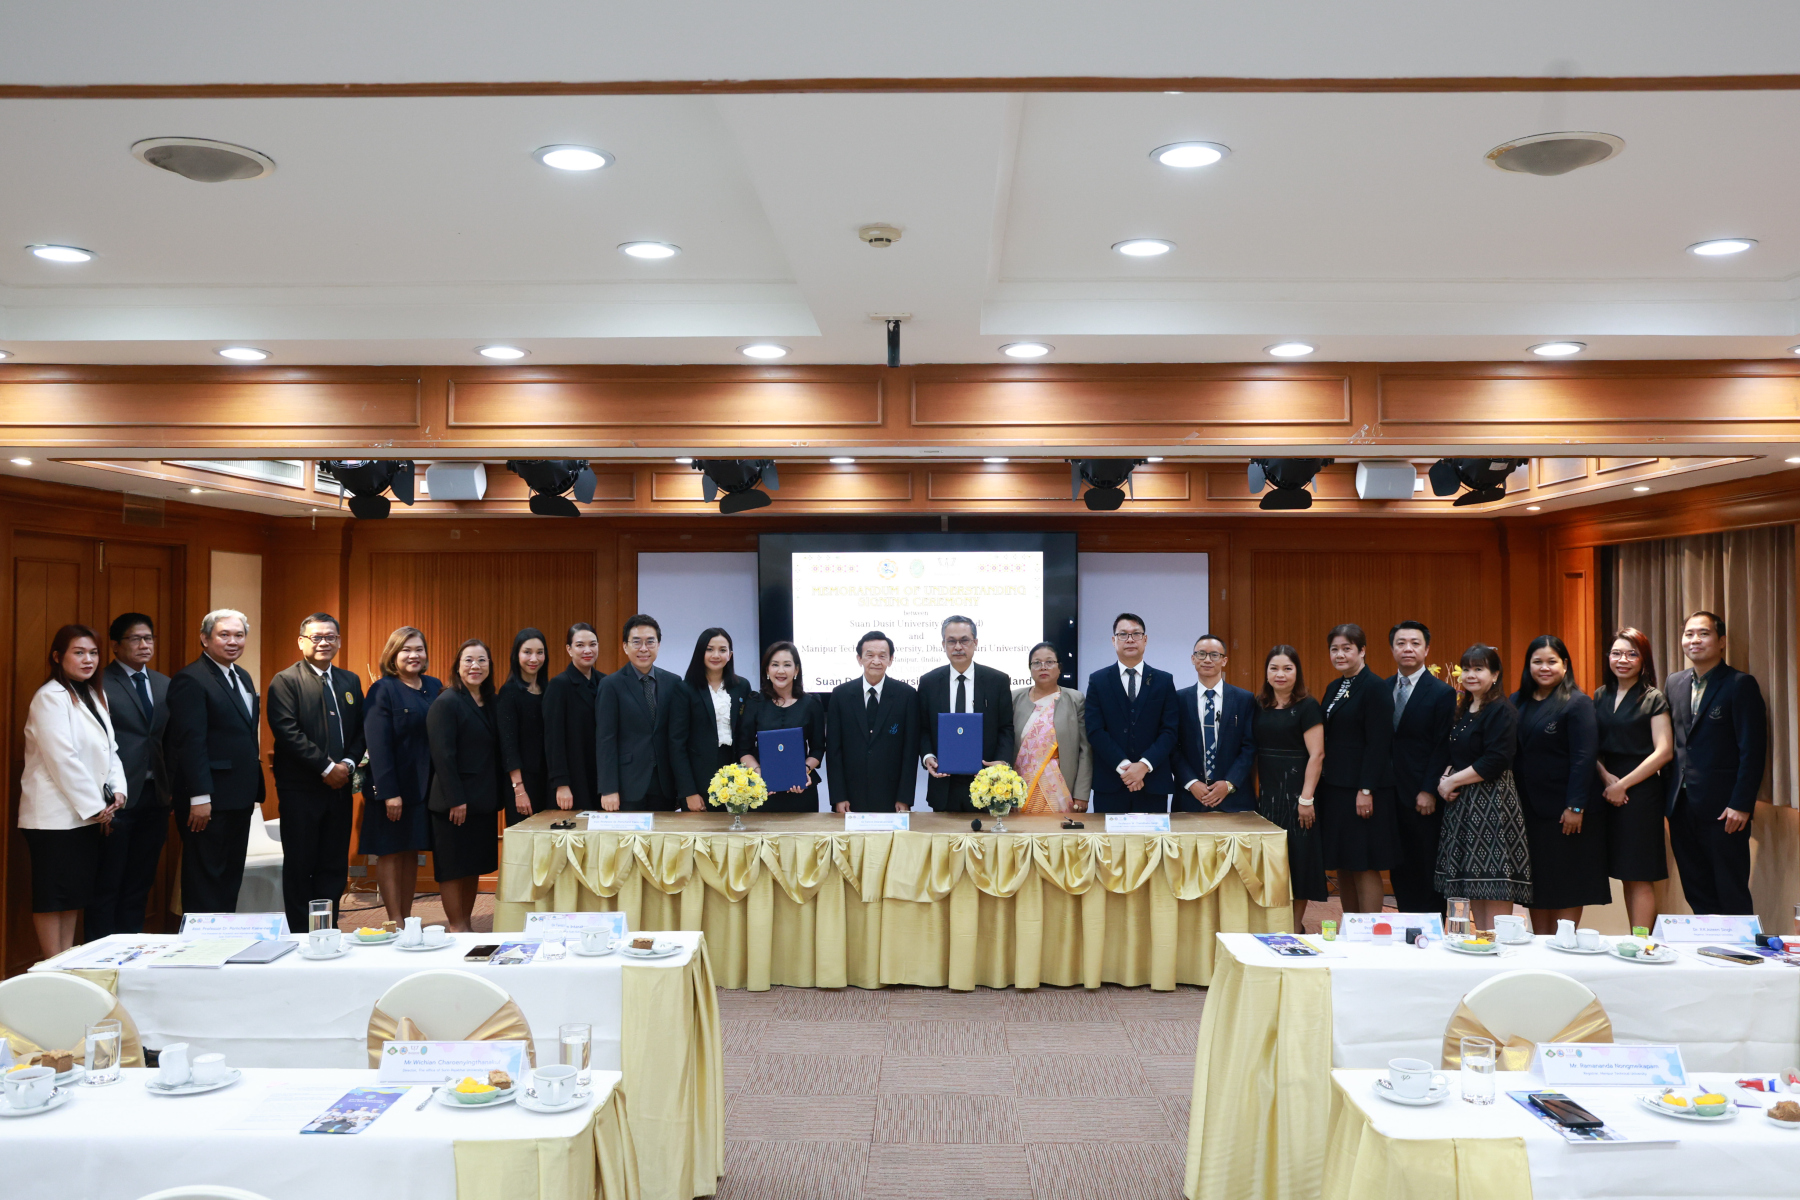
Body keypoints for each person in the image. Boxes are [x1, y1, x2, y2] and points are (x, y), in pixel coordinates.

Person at [20, 624, 128, 956]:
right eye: (78, 653)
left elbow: (110, 749)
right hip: (52, 818)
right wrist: (96, 806)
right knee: (53, 897)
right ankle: (52, 967)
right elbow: (62, 758)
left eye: (93, 653)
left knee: (73, 897)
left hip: (86, 816)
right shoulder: (50, 697)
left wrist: (118, 791)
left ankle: (65, 961)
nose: (88, 660)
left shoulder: (93, 694)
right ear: (57, 657)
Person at [266, 613, 366, 934]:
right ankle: (300, 936)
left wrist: (347, 764)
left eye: (330, 637)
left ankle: (326, 932)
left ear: (339, 641)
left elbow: (361, 730)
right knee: (300, 866)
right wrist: (326, 767)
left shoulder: (350, 681)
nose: (324, 642)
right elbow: (287, 732)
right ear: (301, 642)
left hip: (339, 789)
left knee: (333, 866)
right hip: (301, 790)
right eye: (316, 637)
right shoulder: (285, 681)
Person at [1664, 610, 1767, 915]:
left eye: (1703, 633)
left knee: (1730, 890)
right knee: (1696, 889)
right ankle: (1707, 943)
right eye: (1689, 634)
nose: (1694, 640)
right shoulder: (1674, 683)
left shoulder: (1739, 684)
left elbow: (1752, 749)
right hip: (1680, 805)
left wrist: (1742, 804)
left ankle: (1739, 946)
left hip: (1725, 809)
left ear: (1721, 642)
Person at [164, 609, 264, 915]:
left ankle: (225, 937)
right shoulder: (191, 679)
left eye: (239, 635)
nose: (233, 641)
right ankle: (202, 941)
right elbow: (190, 743)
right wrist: (199, 797)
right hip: (207, 800)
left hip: (239, 796)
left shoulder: (241, 676)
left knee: (230, 877)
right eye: (224, 635)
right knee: (205, 879)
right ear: (205, 639)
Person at [1512, 635, 1606, 932]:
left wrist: (1575, 806)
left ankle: (1564, 943)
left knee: (1568, 883)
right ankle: (1540, 942)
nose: (1544, 668)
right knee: (1537, 884)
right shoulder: (1516, 701)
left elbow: (1584, 758)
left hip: (1565, 811)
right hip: (1527, 809)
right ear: (1528, 666)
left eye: (1551, 661)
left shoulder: (1578, 703)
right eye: (1537, 662)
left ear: (1565, 665)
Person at [1434, 644, 1530, 929]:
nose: (1471, 675)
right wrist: (1446, 776)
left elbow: (1495, 760)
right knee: (1474, 879)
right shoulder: (1466, 707)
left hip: (1493, 803)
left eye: (1479, 669)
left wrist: (1452, 781)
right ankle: (1483, 940)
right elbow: (1458, 752)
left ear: (1495, 674)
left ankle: (1498, 942)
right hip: (1465, 802)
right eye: (1466, 669)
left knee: (1495, 880)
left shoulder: (1502, 709)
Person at [88, 613, 170, 938]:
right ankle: (99, 952)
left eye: (148, 638)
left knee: (140, 882)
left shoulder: (163, 683)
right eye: (135, 639)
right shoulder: (99, 683)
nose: (144, 645)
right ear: (115, 645)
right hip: (116, 798)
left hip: (156, 796)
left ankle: (131, 949)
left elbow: (170, 740)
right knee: (107, 883)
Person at [1594, 627, 1673, 932]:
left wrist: (1622, 784)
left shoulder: (1653, 697)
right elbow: (1590, 747)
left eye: (1631, 654)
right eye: (1616, 653)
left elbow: (1664, 751)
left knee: (1638, 875)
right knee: (1623, 873)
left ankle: (1641, 942)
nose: (1623, 660)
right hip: (1605, 787)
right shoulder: (1600, 695)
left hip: (1640, 793)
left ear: (1643, 659)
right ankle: (1634, 939)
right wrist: (1605, 778)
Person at [1316, 624, 1400, 914]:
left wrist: (1366, 789)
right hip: (1336, 789)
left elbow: (1379, 743)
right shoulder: (1335, 687)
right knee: (1344, 862)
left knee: (1364, 863)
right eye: (1334, 649)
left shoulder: (1375, 687)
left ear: (1362, 650)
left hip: (1362, 791)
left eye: (1346, 648)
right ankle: (1351, 928)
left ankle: (1370, 930)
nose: (1339, 655)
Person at [360, 626, 441, 922]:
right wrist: (390, 793)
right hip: (392, 789)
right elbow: (377, 744)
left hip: (423, 788)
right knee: (391, 853)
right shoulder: (382, 689)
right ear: (393, 655)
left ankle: (406, 920)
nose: (413, 655)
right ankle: (394, 923)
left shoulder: (434, 686)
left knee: (410, 853)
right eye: (406, 650)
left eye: (419, 649)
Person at [426, 639, 506, 931]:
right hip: (454, 804)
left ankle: (466, 924)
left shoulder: (491, 702)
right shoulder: (446, 702)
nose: (475, 666)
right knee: (453, 869)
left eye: (482, 660)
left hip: (482, 801)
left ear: (490, 666)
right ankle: (456, 927)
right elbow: (443, 756)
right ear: (457, 667)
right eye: (468, 660)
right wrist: (456, 799)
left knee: (472, 866)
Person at [1253, 645, 1327, 930]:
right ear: (1266, 673)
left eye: (1287, 668)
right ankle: (1271, 923)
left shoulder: (1308, 706)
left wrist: (1306, 799)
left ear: (1297, 672)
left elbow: (1317, 755)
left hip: (1298, 795)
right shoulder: (1259, 705)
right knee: (1269, 862)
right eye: (1274, 668)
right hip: (1267, 796)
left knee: (1299, 860)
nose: (1280, 674)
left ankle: (1295, 927)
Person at [1386, 620, 1457, 916]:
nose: (1408, 649)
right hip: (1389, 792)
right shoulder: (1383, 688)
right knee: (1398, 865)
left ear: (1426, 650)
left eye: (1415, 643)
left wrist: (1429, 789)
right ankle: (1406, 923)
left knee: (1426, 864)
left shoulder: (1442, 692)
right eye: (1401, 643)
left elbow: (1442, 746)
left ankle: (1432, 928)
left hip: (1422, 795)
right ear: (1392, 649)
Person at [595, 614, 698, 812]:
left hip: (665, 785)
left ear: (658, 645)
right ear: (625, 646)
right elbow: (605, 740)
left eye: (650, 642)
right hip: (627, 786)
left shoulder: (673, 682)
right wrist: (608, 789)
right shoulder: (610, 685)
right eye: (636, 642)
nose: (644, 648)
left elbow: (678, 736)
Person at [1084, 612, 1181, 814]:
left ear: (1145, 640)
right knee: (1107, 836)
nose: (1130, 639)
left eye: (1136, 634)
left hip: (1152, 783)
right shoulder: (1098, 680)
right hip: (1111, 783)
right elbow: (1095, 730)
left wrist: (1144, 765)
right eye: (1123, 634)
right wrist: (1125, 767)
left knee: (1152, 836)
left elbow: (1170, 731)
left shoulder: (1164, 681)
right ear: (1114, 640)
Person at [918, 615, 1017, 813]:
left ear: (975, 643)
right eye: (951, 641)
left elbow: (1005, 728)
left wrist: (1001, 762)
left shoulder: (997, 681)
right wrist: (928, 756)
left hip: (986, 781)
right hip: (944, 783)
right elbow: (923, 728)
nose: (958, 647)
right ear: (943, 644)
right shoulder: (929, 682)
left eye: (964, 640)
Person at [825, 631, 920, 812]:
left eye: (882, 656)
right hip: (851, 794)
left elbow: (910, 751)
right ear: (859, 659)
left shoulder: (906, 695)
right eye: (869, 655)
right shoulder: (841, 695)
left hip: (892, 795)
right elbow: (833, 750)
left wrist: (904, 797)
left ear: (891, 660)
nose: (876, 661)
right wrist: (838, 796)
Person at [736, 641, 826, 812]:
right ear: (767, 670)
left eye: (787, 665)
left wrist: (803, 771)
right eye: (775, 665)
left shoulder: (811, 703)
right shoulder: (755, 702)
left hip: (801, 790)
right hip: (762, 791)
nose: (781, 671)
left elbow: (818, 749)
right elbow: (743, 749)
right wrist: (759, 774)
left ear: (796, 670)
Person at [1172, 633, 1257, 813]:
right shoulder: (1178, 699)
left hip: (1234, 799)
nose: (1207, 660)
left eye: (1214, 655)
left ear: (1224, 660)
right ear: (1193, 659)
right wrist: (1191, 783)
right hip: (1190, 798)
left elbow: (1249, 747)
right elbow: (1172, 746)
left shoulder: (1244, 699)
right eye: (1201, 654)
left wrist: (1229, 783)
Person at [1011, 642, 1092, 813]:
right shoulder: (1014, 698)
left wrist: (1082, 794)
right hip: (1020, 787)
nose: (1043, 667)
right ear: (1030, 668)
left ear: (1059, 668)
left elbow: (1085, 749)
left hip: (1059, 786)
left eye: (1049, 662)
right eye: (1037, 663)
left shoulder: (1075, 699)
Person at [682, 627, 751, 804]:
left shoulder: (742, 686)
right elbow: (677, 744)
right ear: (700, 652)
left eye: (722, 650)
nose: (716, 655)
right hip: (698, 780)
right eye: (709, 649)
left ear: (730, 654)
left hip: (737, 778)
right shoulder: (685, 689)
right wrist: (688, 791)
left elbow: (747, 733)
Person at [496, 628, 553, 824]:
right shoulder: (509, 692)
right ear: (516, 655)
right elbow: (508, 746)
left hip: (547, 781)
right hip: (522, 783)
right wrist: (519, 789)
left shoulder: (548, 690)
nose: (534, 658)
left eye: (539, 652)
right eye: (527, 652)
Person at [544, 623, 602, 809]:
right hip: (574, 777)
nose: (587, 650)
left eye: (592, 644)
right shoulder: (559, 685)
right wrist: (561, 784)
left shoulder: (605, 682)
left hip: (601, 777)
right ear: (569, 649)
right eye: (580, 645)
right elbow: (553, 739)